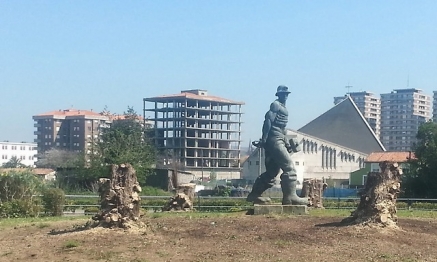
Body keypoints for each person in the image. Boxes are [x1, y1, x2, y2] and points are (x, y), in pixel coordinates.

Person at [246, 85, 309, 205]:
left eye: (287, 94)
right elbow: (268, 121)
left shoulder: (283, 107)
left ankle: (254, 195)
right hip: (274, 139)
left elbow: (282, 128)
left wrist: (286, 142)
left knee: (272, 172)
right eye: (283, 94)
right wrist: (264, 139)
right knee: (289, 167)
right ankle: (290, 198)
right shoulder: (275, 105)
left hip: (278, 138)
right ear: (278, 95)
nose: (285, 96)